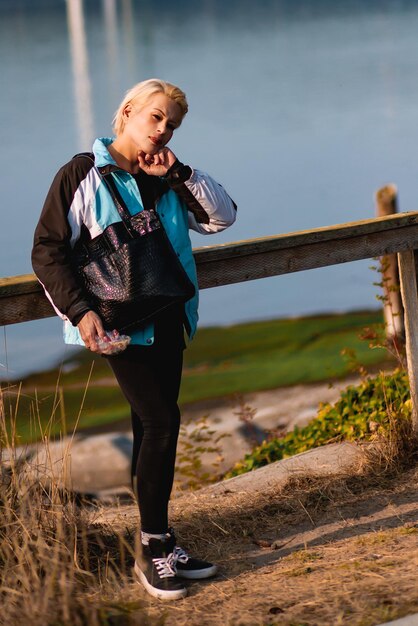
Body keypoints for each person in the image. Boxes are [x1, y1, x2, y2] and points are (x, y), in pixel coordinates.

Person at [31, 78, 237, 600]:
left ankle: (162, 543)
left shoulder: (166, 176)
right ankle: (151, 551)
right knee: (162, 423)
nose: (162, 130)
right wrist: (79, 313)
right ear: (127, 112)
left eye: (171, 124)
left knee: (151, 427)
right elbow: (47, 250)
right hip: (119, 325)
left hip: (171, 316)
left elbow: (221, 217)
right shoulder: (83, 173)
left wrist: (182, 173)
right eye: (155, 117)